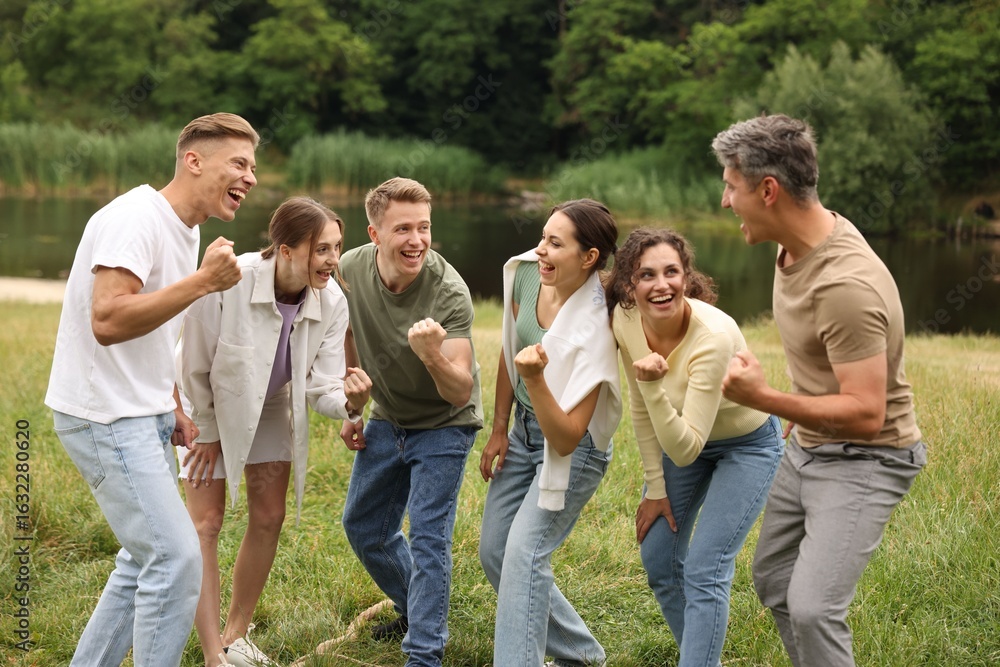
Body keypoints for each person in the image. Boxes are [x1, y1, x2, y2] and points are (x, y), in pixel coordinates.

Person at [44, 113, 259, 666]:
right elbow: (108, 319)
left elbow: (158, 329)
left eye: (253, 167)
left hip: (142, 414)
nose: (250, 177)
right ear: (194, 160)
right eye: (239, 163)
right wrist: (203, 282)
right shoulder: (135, 217)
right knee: (176, 559)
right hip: (105, 416)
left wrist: (172, 402)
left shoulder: (185, 228)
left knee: (145, 559)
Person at [713, 114, 926, 667]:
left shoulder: (845, 285)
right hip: (811, 444)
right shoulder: (795, 242)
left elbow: (867, 413)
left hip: (868, 456)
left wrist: (765, 398)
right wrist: (804, 403)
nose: (725, 201)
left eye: (731, 187)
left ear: (768, 190)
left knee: (812, 608)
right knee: (774, 579)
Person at [177, 197, 373, 666]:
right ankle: (212, 654)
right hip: (206, 403)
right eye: (321, 249)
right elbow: (192, 363)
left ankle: (235, 636)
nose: (332, 260)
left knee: (268, 516)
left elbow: (321, 386)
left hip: (270, 403)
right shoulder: (231, 281)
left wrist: (351, 403)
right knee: (206, 524)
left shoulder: (333, 301)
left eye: (337, 248)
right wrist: (207, 431)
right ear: (285, 250)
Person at [605, 227, 784, 666]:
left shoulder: (713, 336)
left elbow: (685, 448)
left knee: (707, 567)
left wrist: (652, 386)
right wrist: (655, 488)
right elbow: (643, 409)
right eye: (646, 275)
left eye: (671, 272)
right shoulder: (625, 320)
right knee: (658, 557)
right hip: (685, 437)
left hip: (747, 446)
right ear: (629, 284)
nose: (661, 285)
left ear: (687, 277)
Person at [338, 177, 483, 667]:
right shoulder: (350, 268)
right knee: (363, 526)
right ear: (374, 234)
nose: (417, 240)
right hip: (388, 416)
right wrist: (353, 407)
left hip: (445, 424)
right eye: (403, 229)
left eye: (424, 227)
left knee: (428, 537)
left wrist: (431, 355)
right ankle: (415, 606)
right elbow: (346, 331)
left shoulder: (449, 291)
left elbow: (459, 390)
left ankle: (424, 653)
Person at [479, 198, 622, 667]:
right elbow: (511, 346)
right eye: (543, 237)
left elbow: (566, 439)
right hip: (522, 429)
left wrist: (536, 380)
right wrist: (500, 427)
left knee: (524, 554)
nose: (540, 250)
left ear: (589, 257)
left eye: (555, 243)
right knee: (495, 551)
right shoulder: (527, 274)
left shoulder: (597, 326)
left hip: (572, 450)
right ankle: (581, 655)